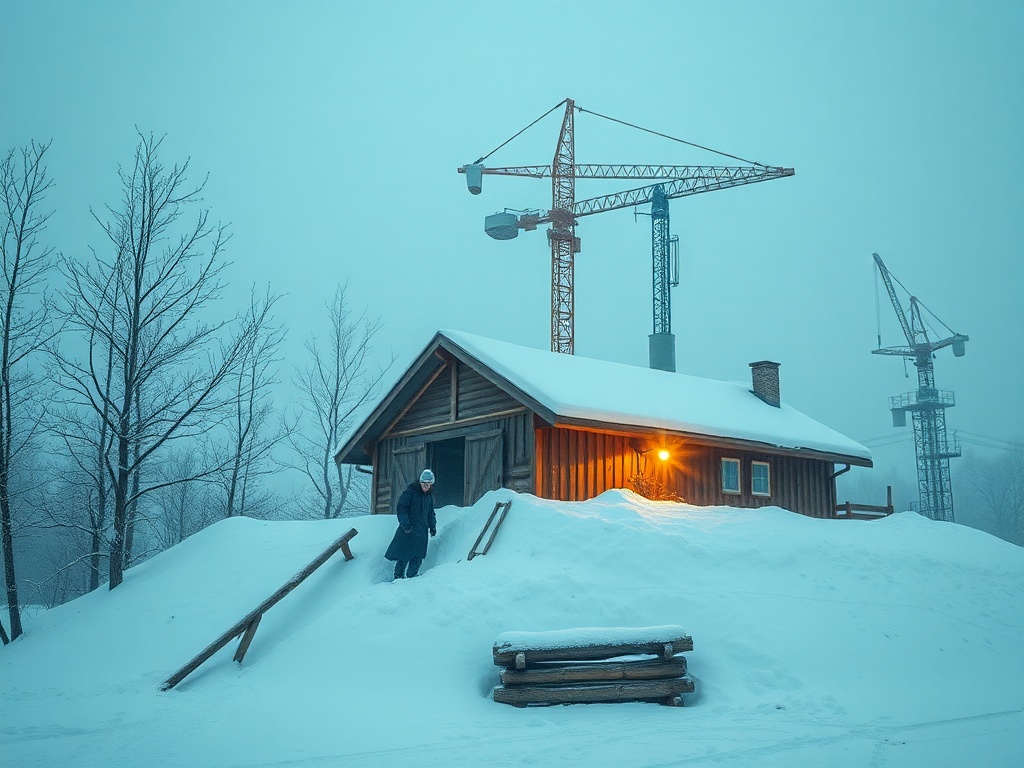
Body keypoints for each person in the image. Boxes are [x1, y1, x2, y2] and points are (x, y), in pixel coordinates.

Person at [384, 469, 437, 579]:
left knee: (418, 557)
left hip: (421, 531)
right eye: (424, 484)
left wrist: (432, 527)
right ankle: (398, 577)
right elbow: (401, 508)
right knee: (404, 555)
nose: (426, 487)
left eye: (429, 484)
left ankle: (412, 578)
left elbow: (430, 513)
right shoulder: (410, 493)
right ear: (420, 482)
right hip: (408, 530)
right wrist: (405, 524)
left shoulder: (430, 497)